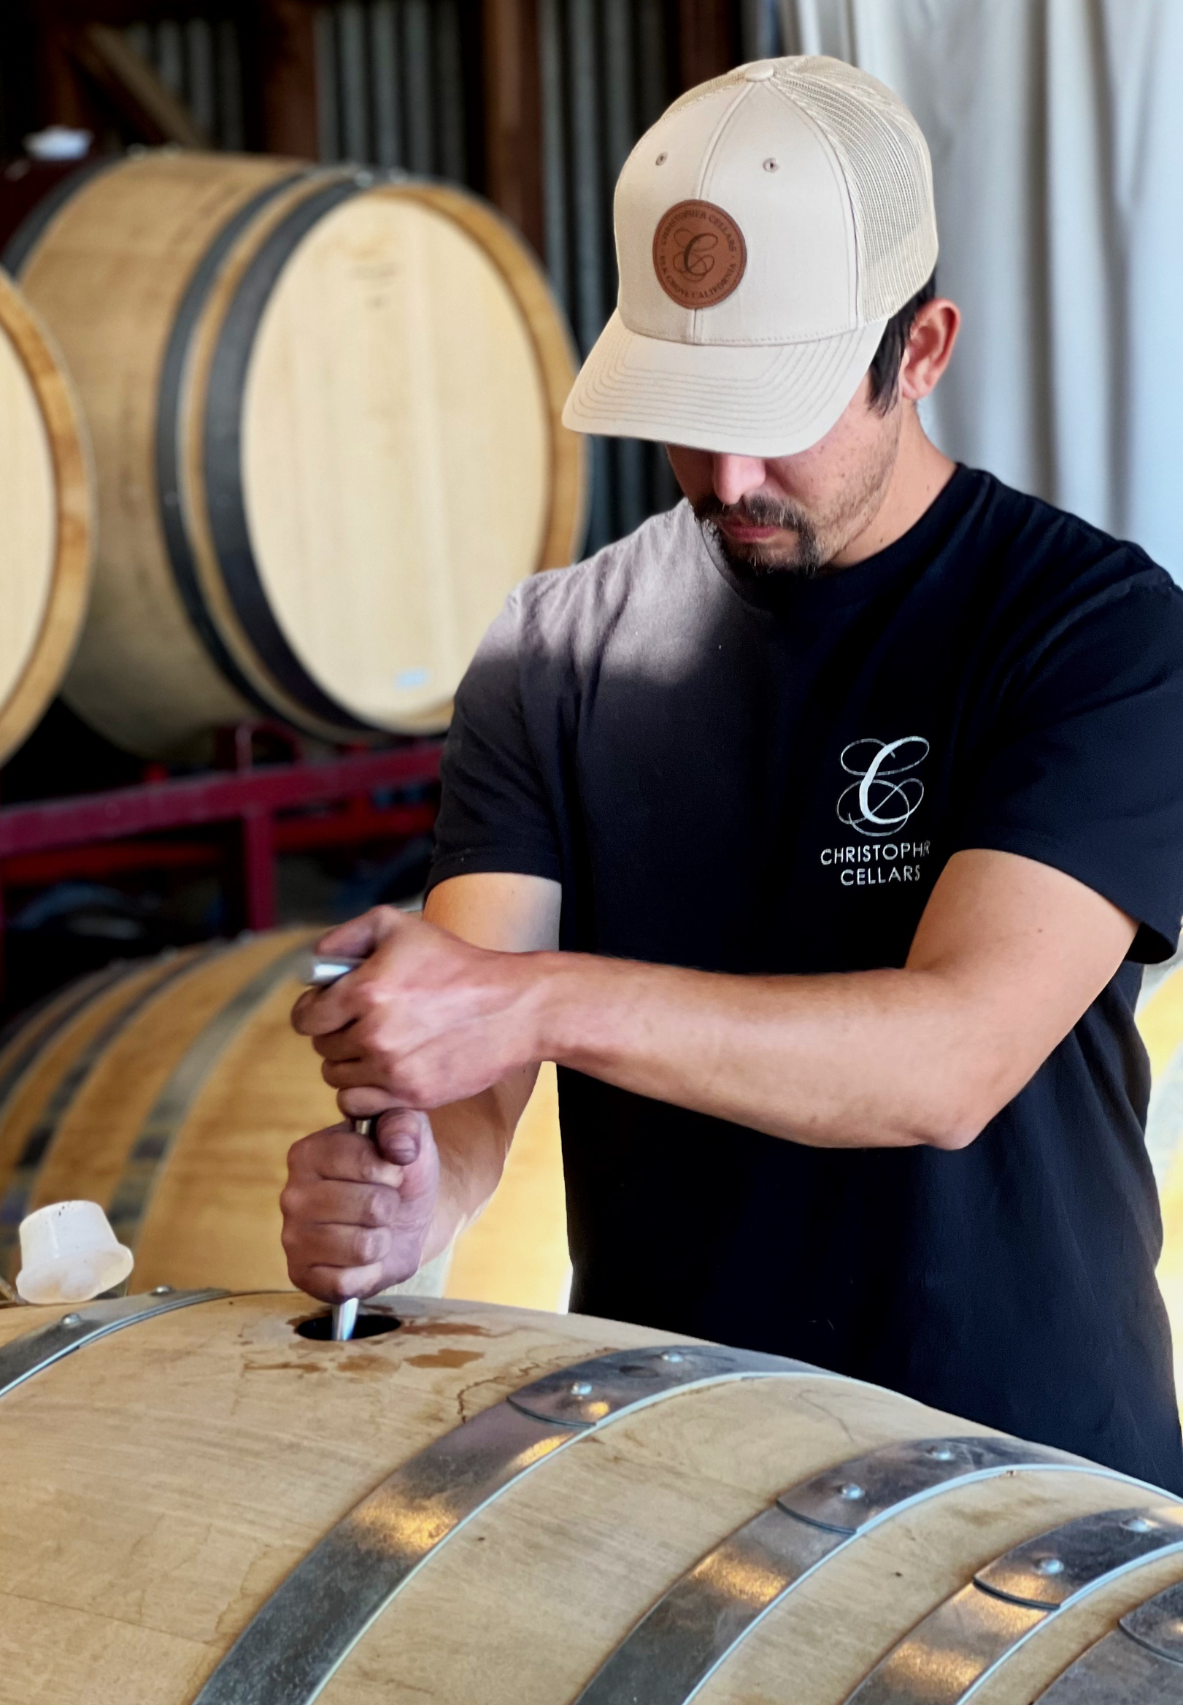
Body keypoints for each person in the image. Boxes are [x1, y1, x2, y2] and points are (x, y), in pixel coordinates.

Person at [281, 54, 1183, 1488]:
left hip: (1029, 1483)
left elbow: (950, 1062)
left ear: (925, 349)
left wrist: (531, 1003)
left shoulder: (1094, 631)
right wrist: (411, 1201)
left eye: (783, 404)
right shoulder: (554, 648)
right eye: (689, 403)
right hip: (684, 1477)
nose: (727, 469)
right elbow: (471, 1079)